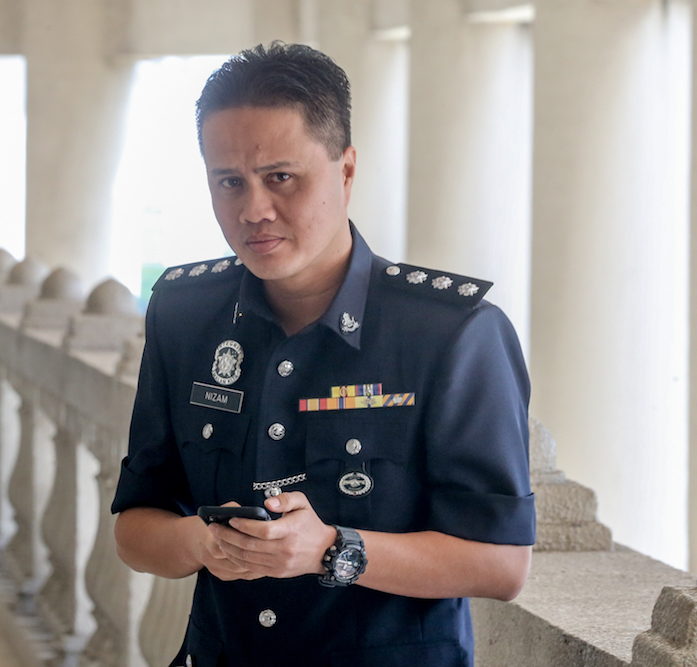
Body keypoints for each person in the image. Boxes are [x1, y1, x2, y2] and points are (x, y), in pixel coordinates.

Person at [112, 42, 534, 667]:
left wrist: (332, 550)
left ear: (345, 170)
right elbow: (134, 527)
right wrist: (202, 543)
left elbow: (502, 563)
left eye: (281, 177)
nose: (253, 210)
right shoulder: (185, 314)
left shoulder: (451, 333)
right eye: (229, 182)